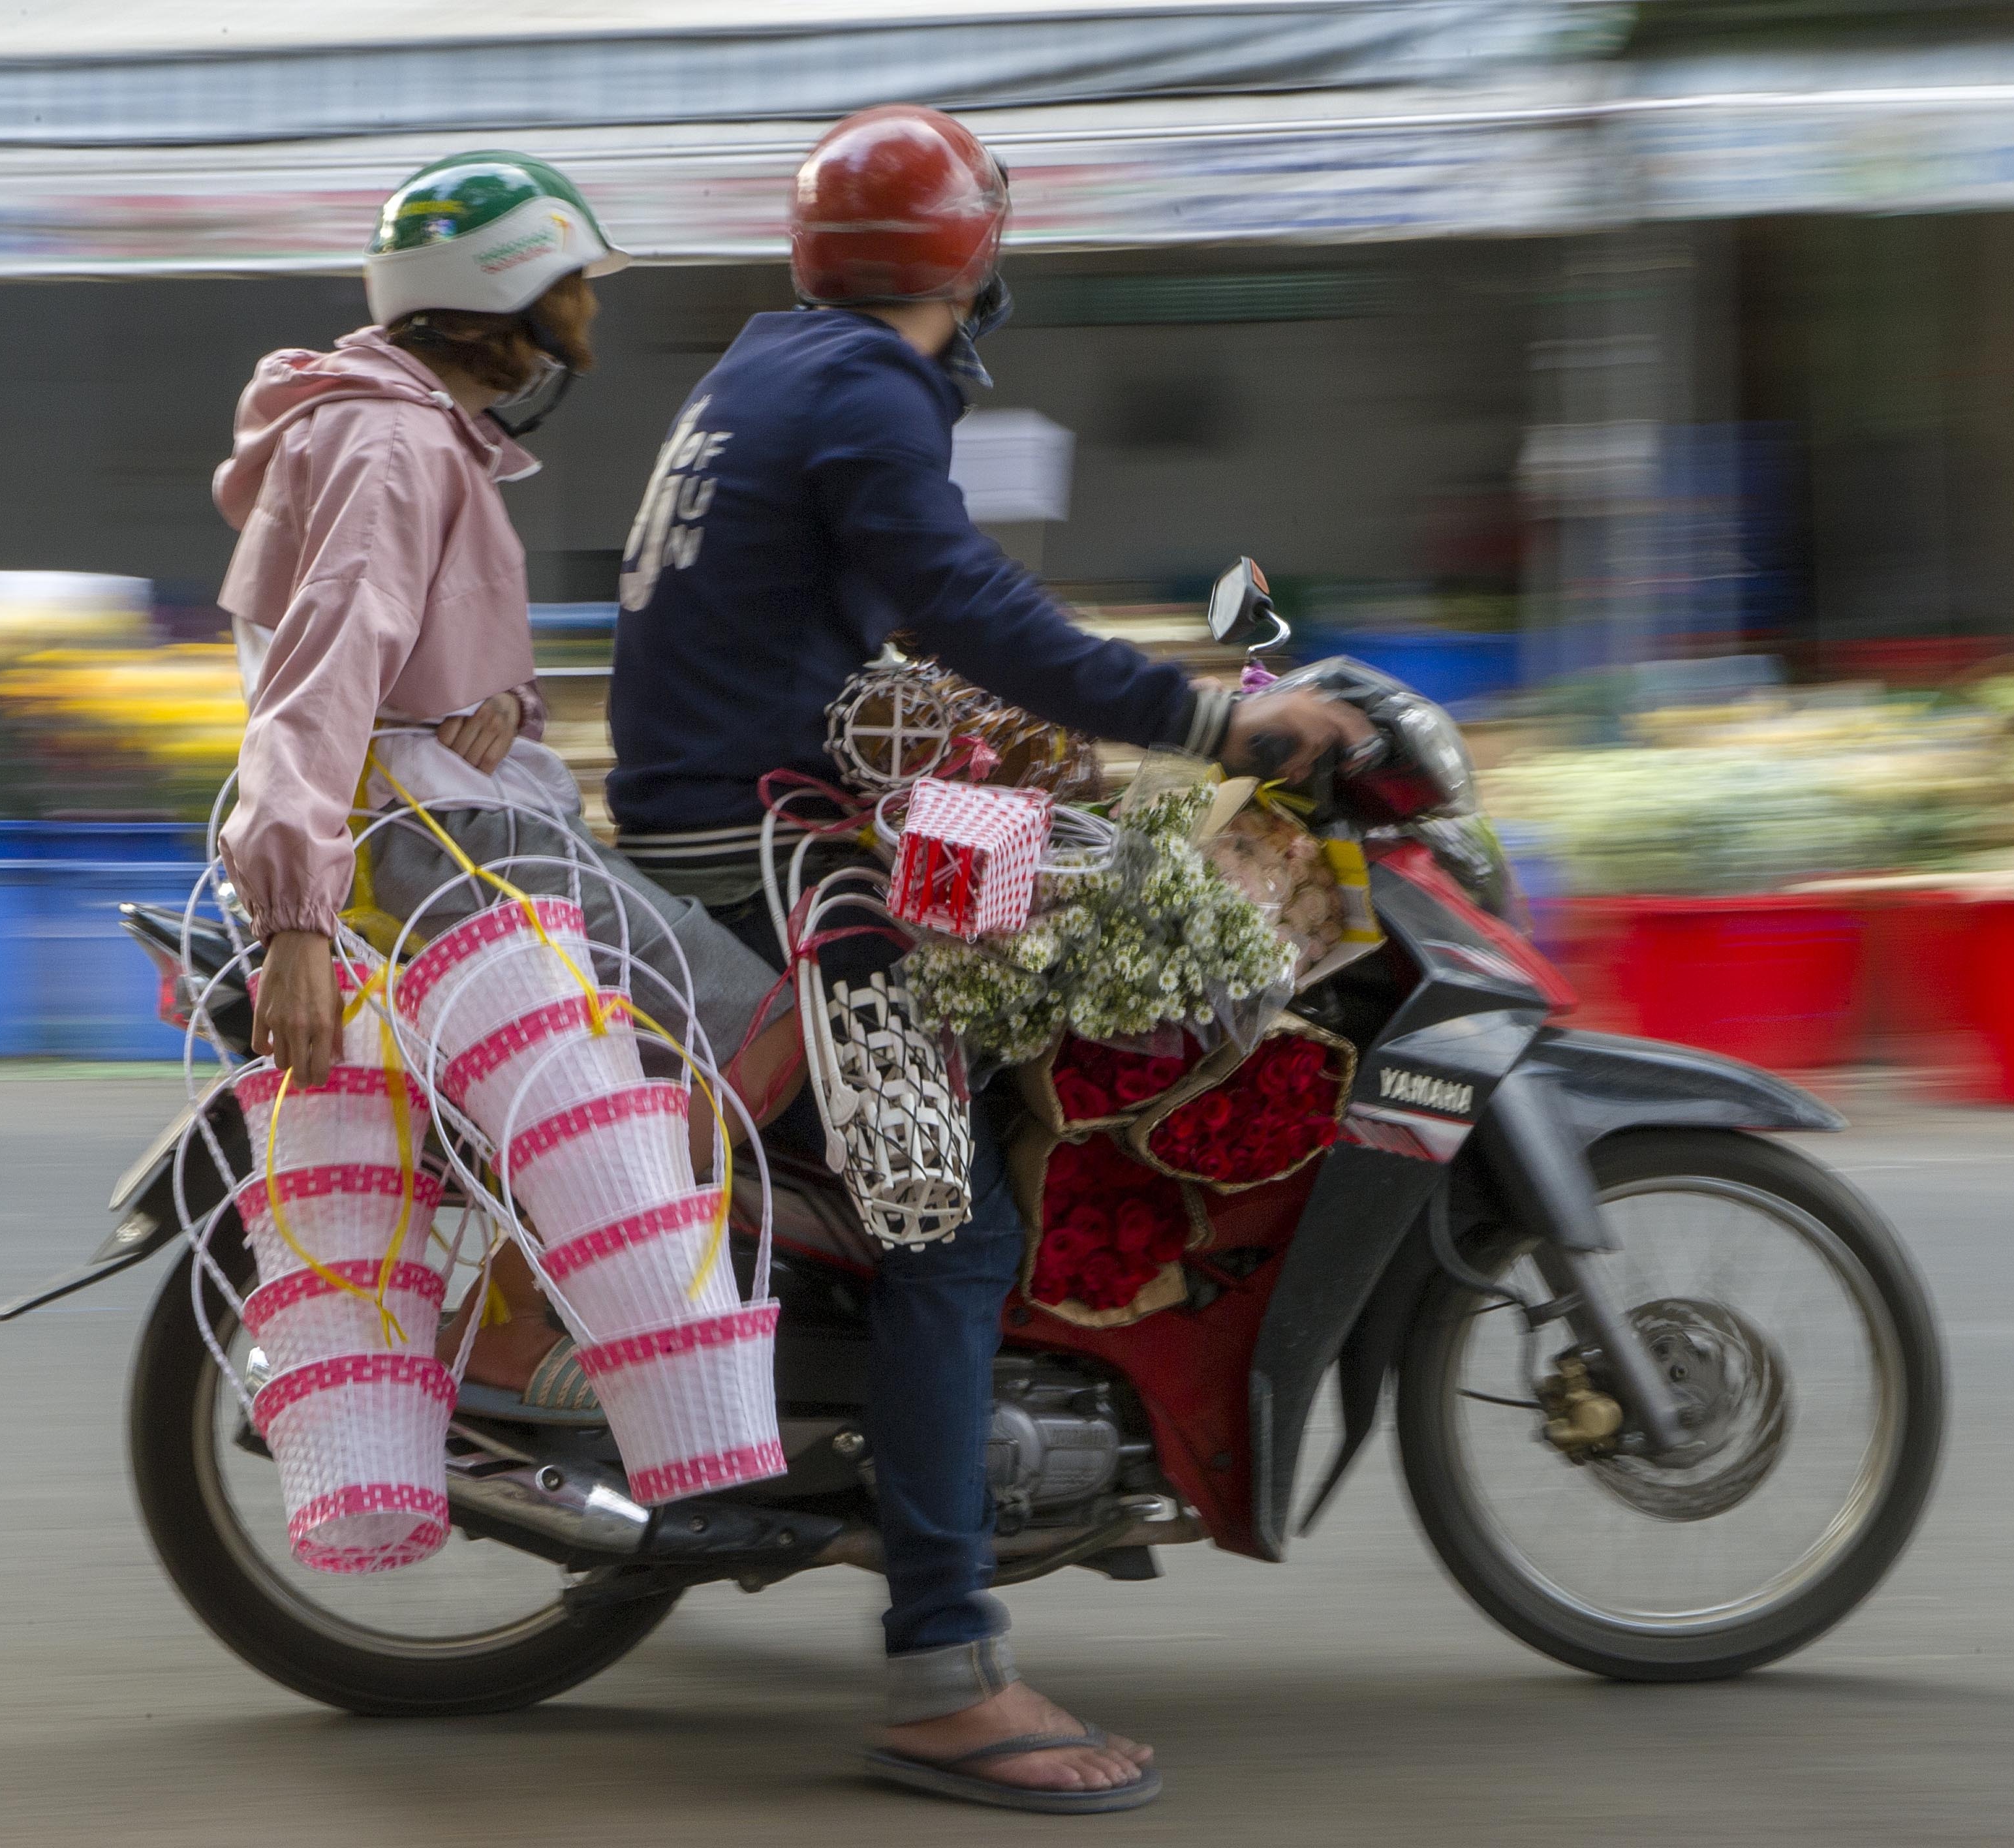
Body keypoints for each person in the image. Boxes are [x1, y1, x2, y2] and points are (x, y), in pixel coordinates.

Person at [605, 104, 1369, 1814]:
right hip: (778, 864)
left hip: (779, 808)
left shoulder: (776, 370)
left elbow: (885, 625)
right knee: (951, 1220)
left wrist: (1103, 753)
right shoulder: (862, 389)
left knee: (1167, 898)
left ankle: (1062, 1376)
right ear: (971, 256)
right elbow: (960, 602)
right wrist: (1209, 713)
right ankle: (948, 1667)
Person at [214, 149, 799, 1412]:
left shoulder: (392, 433)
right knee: (768, 1036)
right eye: (572, 288)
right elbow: (313, 684)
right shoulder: (392, 445)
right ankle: (528, 1318)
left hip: (451, 813)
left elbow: (391, 648)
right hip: (447, 840)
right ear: (505, 292)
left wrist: (496, 698)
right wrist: (296, 924)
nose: (586, 321)